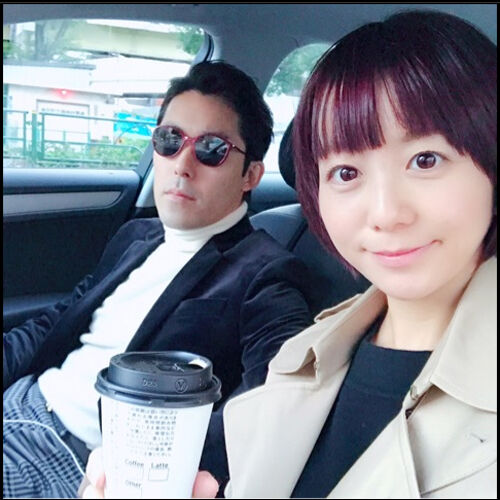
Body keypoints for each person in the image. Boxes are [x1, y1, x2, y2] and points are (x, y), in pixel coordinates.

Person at [81, 9, 497, 499]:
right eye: (346, 173)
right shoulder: (310, 352)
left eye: (426, 160)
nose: (386, 213)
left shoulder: (271, 283)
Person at [3, 61, 315, 498]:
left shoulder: (266, 272)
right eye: (170, 141)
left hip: (72, 459)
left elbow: (274, 401)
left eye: (211, 149)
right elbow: (57, 321)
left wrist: (150, 470)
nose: (182, 165)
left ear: (251, 176)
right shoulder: (136, 236)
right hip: (21, 401)